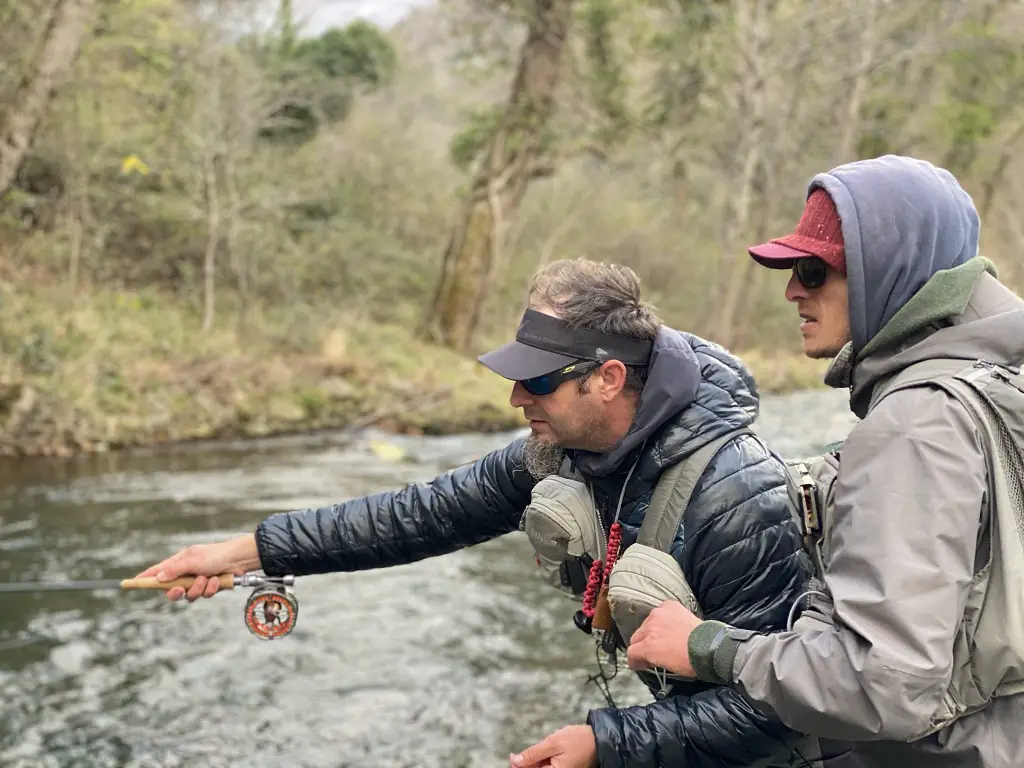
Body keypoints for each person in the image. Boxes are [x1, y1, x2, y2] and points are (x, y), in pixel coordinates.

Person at [136, 259, 815, 768]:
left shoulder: (737, 497)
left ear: (608, 379)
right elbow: (419, 516)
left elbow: (783, 706)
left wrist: (606, 744)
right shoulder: (565, 450)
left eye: (538, 379)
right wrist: (253, 551)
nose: (517, 395)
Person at [625, 155, 1024, 767]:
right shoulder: (998, 383)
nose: (792, 289)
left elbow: (884, 684)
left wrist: (708, 646)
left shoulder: (915, 424)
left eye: (814, 270)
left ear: (887, 272)